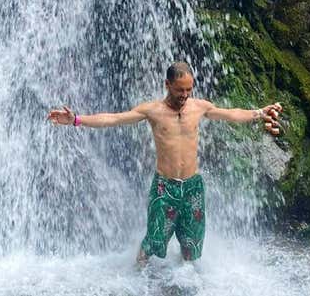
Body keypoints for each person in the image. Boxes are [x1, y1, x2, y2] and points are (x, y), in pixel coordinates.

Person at [46, 61, 283, 266]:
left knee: (192, 245)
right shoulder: (153, 111)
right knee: (154, 240)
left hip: (193, 187)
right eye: (180, 89)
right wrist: (76, 120)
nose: (185, 95)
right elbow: (114, 118)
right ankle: (137, 275)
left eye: (189, 89)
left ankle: (185, 281)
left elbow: (231, 114)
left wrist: (259, 113)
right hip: (164, 187)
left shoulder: (199, 107)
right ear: (167, 85)